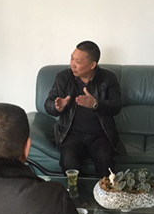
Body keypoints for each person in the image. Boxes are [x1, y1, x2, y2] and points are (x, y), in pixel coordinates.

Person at [44, 40, 123, 177]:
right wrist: (57, 107)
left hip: (100, 136)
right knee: (68, 163)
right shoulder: (63, 77)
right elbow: (48, 104)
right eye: (72, 58)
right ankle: (73, 191)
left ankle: (102, 192)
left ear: (92, 65)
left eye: (78, 61)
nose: (72, 64)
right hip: (71, 135)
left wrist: (95, 104)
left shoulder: (108, 78)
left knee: (105, 163)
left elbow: (116, 107)